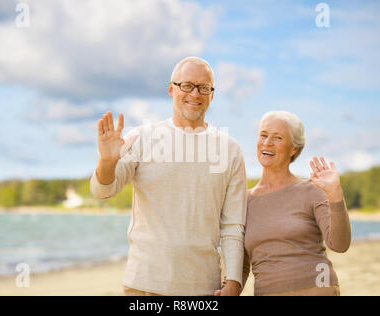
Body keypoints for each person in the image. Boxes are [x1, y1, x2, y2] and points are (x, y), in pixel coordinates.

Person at [90, 57, 247, 296]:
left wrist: (233, 282)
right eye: (186, 85)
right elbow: (103, 190)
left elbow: (233, 225)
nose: (195, 94)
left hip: (204, 286)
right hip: (144, 284)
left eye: (203, 88)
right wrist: (107, 161)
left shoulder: (230, 149)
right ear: (171, 89)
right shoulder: (142, 138)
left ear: (212, 95)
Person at [218, 110, 351, 296]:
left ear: (294, 148)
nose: (267, 143)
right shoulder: (244, 201)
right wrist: (230, 288)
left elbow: (339, 244)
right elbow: (242, 262)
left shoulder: (312, 190)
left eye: (277, 137)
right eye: (263, 135)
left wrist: (336, 195)